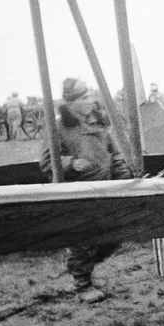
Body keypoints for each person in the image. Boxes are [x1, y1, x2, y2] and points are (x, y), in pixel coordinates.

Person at [39, 78, 132, 304]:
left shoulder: (97, 124)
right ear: (70, 103)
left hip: (105, 189)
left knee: (112, 237)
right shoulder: (57, 128)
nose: (90, 101)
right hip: (78, 193)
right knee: (84, 240)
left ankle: (80, 262)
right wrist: (71, 163)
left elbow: (115, 154)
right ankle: (83, 284)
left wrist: (123, 177)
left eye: (90, 96)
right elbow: (46, 162)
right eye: (84, 98)